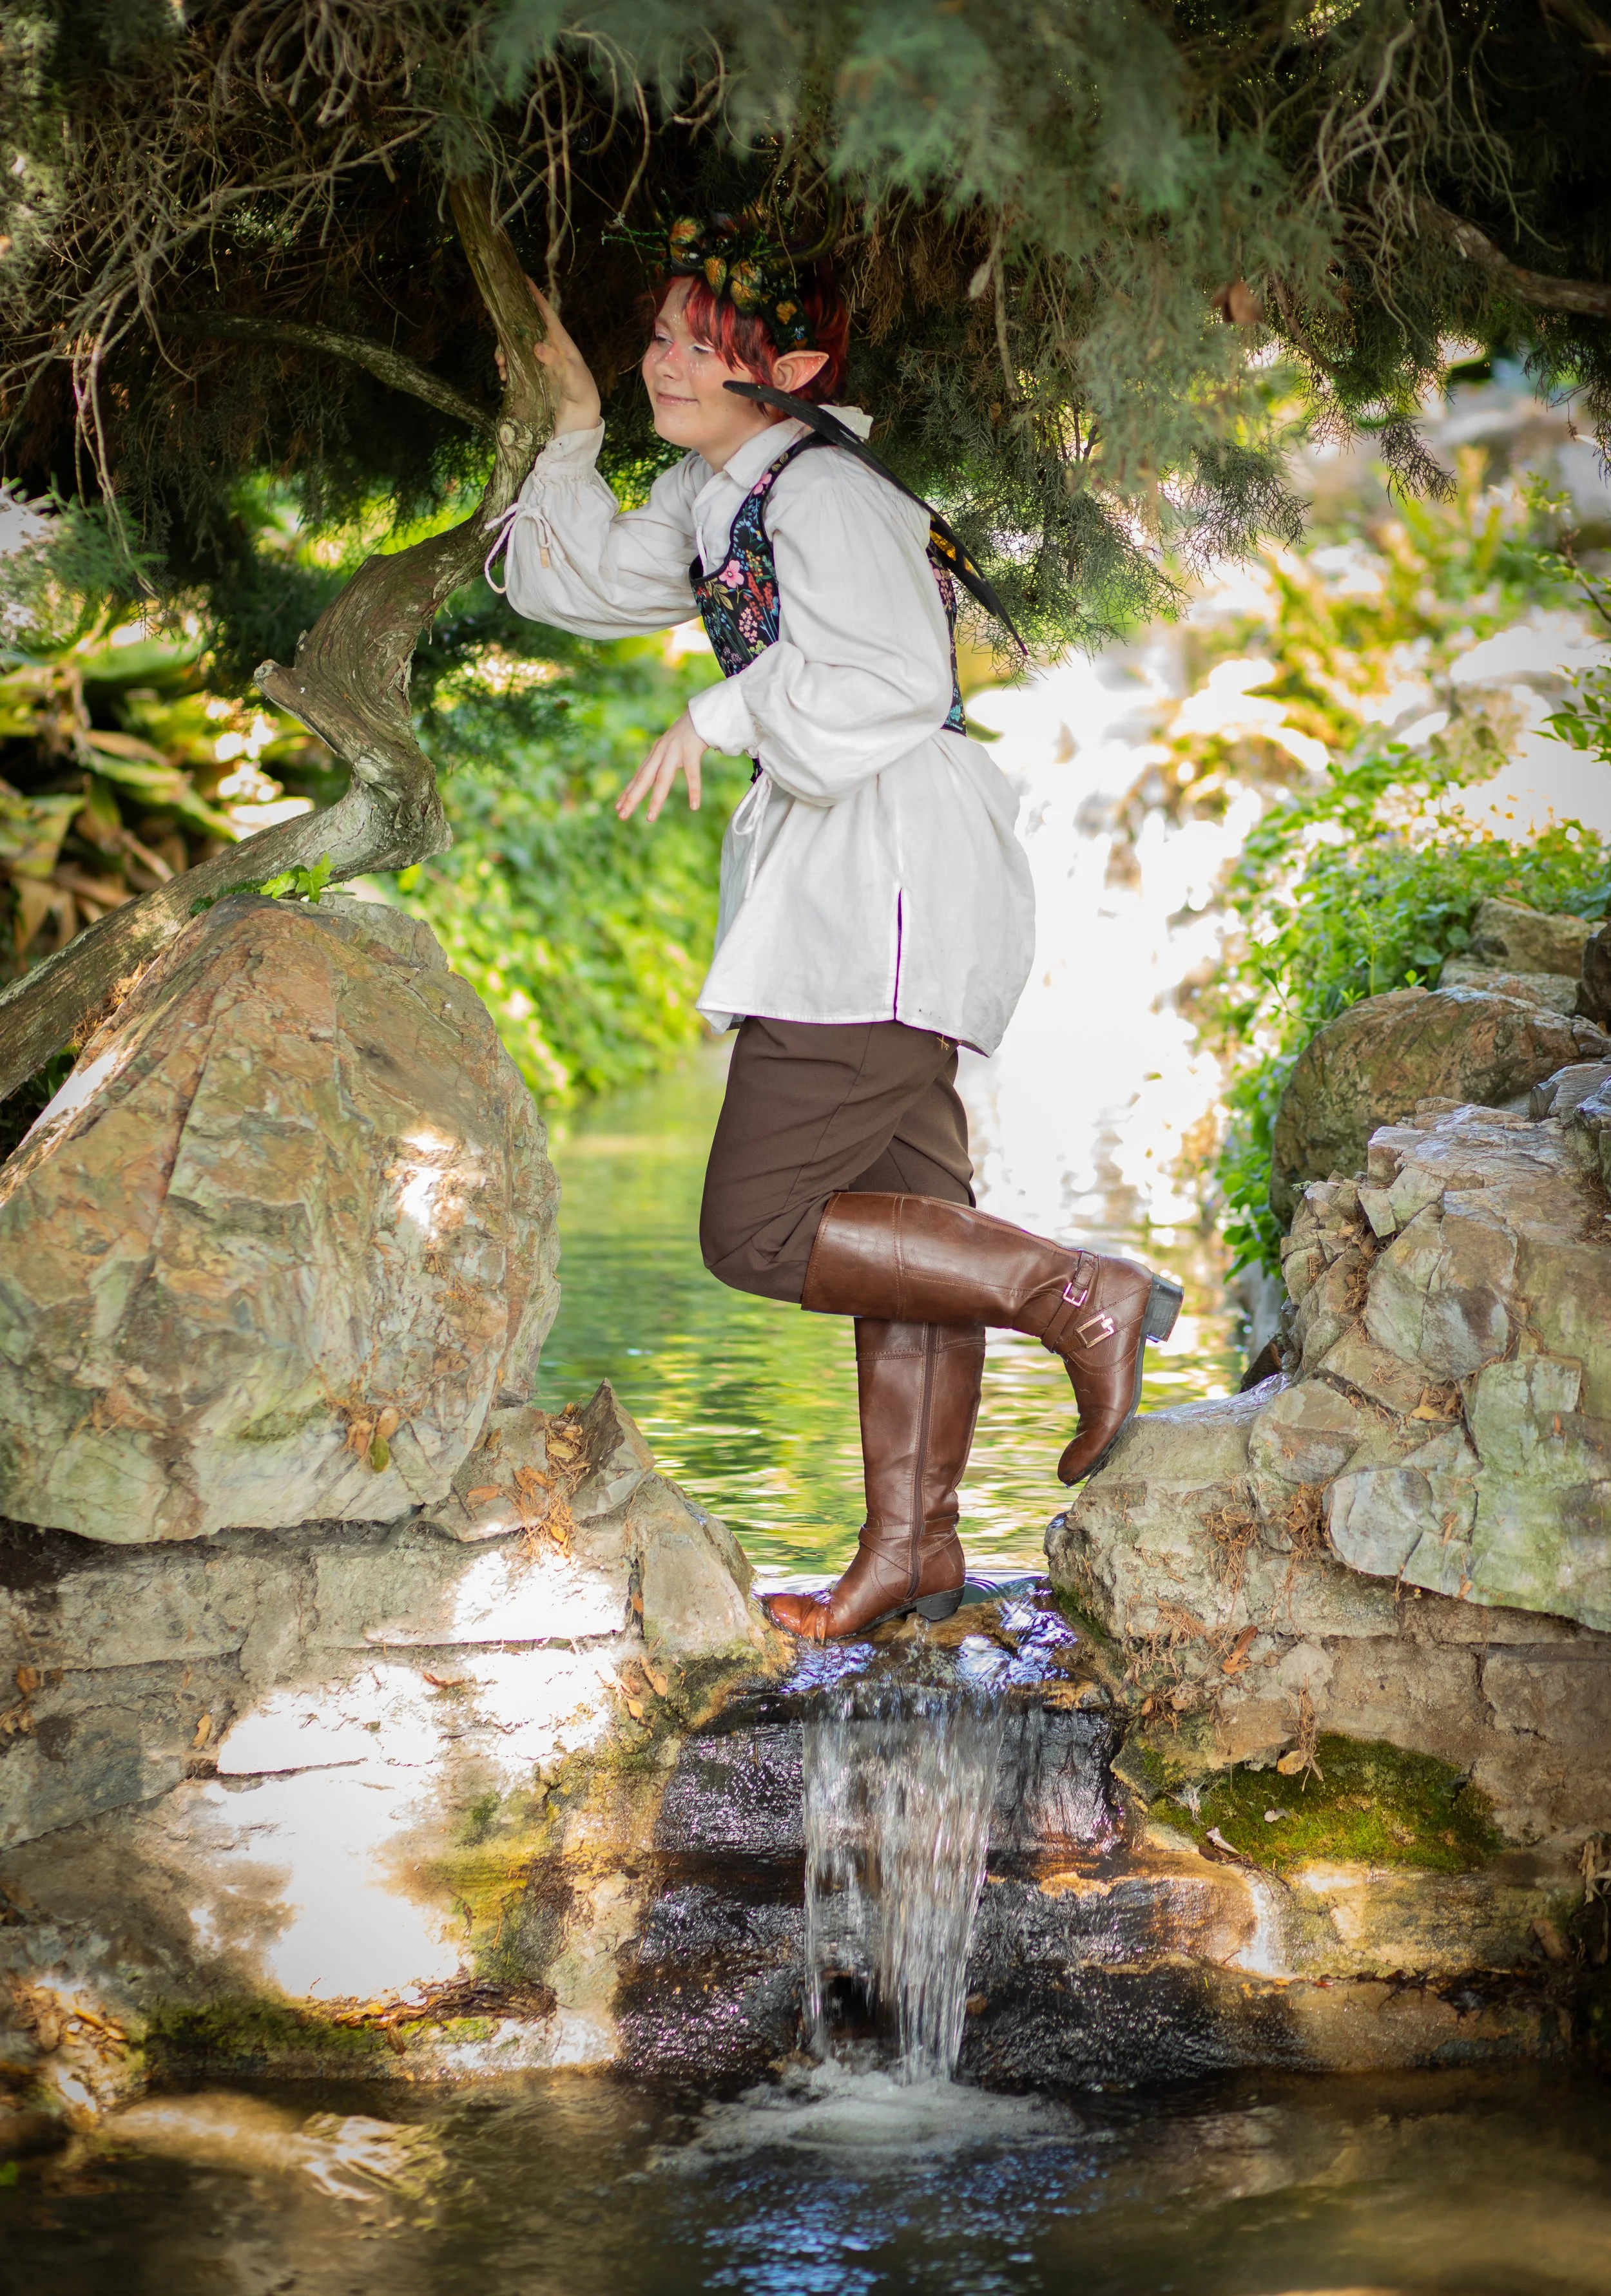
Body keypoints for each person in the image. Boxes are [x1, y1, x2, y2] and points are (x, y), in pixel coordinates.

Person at [491, 215, 1180, 1644]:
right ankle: (912, 1556)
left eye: (703, 342)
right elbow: (566, 580)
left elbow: (884, 680)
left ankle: (1072, 1290)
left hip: (882, 881)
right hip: (870, 879)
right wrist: (567, 427)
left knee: (758, 1227)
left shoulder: (822, 495)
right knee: (911, 1231)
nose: (661, 360)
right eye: (662, 333)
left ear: (790, 368)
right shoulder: (722, 499)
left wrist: (720, 706)